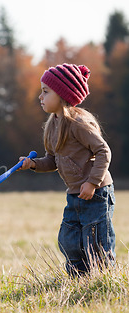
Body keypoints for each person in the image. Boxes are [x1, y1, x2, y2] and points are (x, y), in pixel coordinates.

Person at [19, 63, 115, 276]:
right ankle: (77, 278)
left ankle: (105, 279)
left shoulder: (78, 123)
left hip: (96, 193)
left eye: (45, 91)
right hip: (75, 195)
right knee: (69, 239)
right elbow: (53, 161)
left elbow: (103, 151)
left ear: (63, 94)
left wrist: (92, 182)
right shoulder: (53, 125)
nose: (40, 97)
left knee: (97, 240)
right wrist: (33, 164)